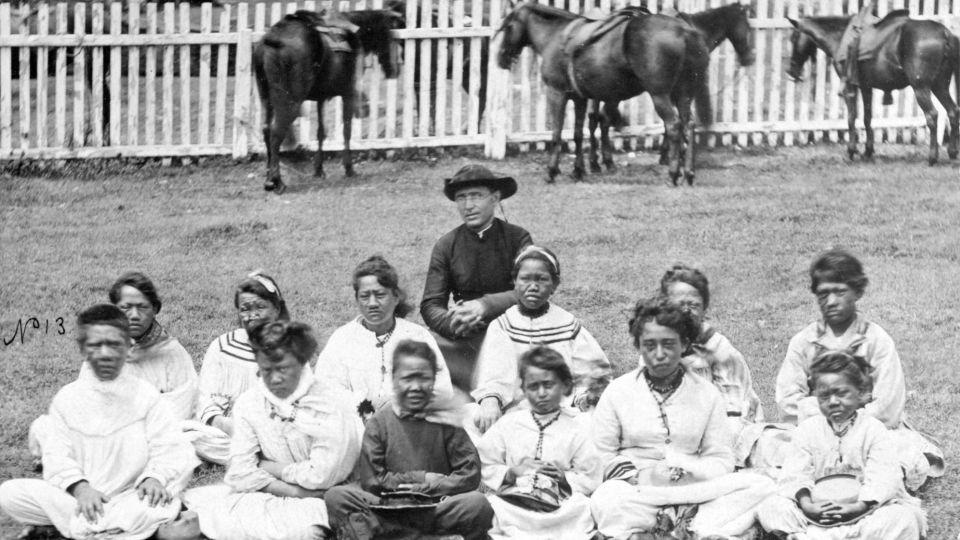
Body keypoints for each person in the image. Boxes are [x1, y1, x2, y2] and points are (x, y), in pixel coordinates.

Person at [0, 304, 199, 540]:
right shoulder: (67, 398)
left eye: (114, 344)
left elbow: (169, 446)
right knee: (10, 493)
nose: (105, 353)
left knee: (151, 506)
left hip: (132, 496)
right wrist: (81, 488)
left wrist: (154, 477)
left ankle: (85, 529)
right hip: (82, 498)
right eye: (96, 345)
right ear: (83, 349)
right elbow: (56, 456)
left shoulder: (147, 396)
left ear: (128, 346)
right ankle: (113, 530)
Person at [589, 298, 774, 539]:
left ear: (684, 343)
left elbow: (720, 456)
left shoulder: (707, 394)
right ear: (638, 346)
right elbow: (600, 454)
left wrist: (694, 472)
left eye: (668, 344)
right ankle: (689, 529)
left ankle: (667, 529)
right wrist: (640, 476)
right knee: (607, 500)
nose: (659, 355)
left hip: (695, 489)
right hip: (638, 490)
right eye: (649, 345)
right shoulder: (618, 391)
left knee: (761, 486)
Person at [774, 249, 944, 489]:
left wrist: (853, 422)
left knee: (899, 452)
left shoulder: (876, 341)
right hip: (815, 430)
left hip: (870, 429)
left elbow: (888, 407)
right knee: (772, 446)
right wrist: (826, 419)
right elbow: (788, 401)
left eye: (840, 292)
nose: (831, 301)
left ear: (857, 292)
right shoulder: (804, 342)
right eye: (823, 294)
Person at [184, 320, 362, 540]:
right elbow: (241, 471)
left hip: (324, 499)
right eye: (266, 370)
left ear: (301, 362)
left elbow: (321, 477)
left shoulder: (329, 404)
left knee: (305, 532)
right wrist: (294, 490)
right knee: (213, 518)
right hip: (271, 493)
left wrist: (267, 465)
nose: (275, 378)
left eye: (283, 368)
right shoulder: (250, 403)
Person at [324, 339, 494, 540]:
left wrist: (428, 488)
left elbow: (470, 473)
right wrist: (420, 478)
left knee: (477, 504)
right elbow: (372, 480)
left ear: (433, 380)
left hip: (435, 506)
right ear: (394, 379)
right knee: (336, 497)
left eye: (423, 378)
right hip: (389, 508)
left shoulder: (446, 418)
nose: (415, 387)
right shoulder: (379, 422)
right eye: (407, 379)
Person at [28, 272, 198, 462]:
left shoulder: (172, 352)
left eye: (142, 307)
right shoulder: (103, 349)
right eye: (126, 308)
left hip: (147, 433)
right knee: (44, 426)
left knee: (197, 436)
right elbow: (85, 399)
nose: (134, 315)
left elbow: (181, 407)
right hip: (101, 431)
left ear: (155, 309)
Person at [758, 351, 926, 539]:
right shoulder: (807, 430)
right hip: (816, 515)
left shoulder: (873, 430)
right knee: (771, 507)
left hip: (864, 513)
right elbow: (795, 474)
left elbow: (884, 477)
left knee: (901, 518)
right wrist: (807, 505)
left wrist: (858, 506)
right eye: (824, 396)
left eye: (842, 393)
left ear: (860, 393)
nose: (833, 402)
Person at [471, 245, 610, 434]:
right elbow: (493, 374)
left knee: (595, 424)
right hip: (514, 410)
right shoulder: (504, 325)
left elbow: (590, 373)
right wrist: (491, 401)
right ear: (514, 281)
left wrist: (585, 397)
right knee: (470, 421)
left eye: (542, 279)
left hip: (561, 409)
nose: (533, 286)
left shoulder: (567, 325)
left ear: (555, 284)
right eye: (525, 279)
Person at [421, 164, 533, 391]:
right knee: (421, 348)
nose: (468, 206)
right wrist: (454, 323)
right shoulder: (447, 245)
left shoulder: (518, 238)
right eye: (461, 198)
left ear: (495, 198)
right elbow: (431, 304)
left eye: (476, 196)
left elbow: (529, 289)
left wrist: (484, 305)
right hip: (466, 337)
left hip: (512, 329)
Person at [477, 346, 602, 540]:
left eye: (548, 385)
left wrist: (564, 478)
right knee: (491, 506)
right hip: (515, 501)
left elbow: (590, 472)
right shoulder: (511, 423)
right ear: (523, 389)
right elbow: (485, 459)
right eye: (533, 387)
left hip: (560, 505)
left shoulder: (577, 426)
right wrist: (510, 473)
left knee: (582, 508)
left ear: (565, 386)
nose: (541, 393)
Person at [315, 255, 454, 421]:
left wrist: (402, 406)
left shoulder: (416, 336)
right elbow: (326, 389)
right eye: (365, 296)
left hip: (409, 424)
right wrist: (364, 407)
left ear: (396, 297)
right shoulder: (342, 339)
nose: (372, 303)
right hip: (357, 425)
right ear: (357, 300)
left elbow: (441, 388)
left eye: (380, 295)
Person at [185, 272, 290, 464]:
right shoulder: (222, 346)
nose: (253, 315)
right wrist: (225, 424)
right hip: (225, 432)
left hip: (273, 433)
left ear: (276, 309)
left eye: (261, 307)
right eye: (245, 309)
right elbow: (204, 397)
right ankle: (259, 459)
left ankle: (258, 457)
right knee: (187, 435)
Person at [659, 264, 762, 436]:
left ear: (704, 308)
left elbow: (734, 407)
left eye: (693, 305)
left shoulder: (718, 348)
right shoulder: (657, 345)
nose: (685, 311)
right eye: (679, 305)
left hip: (723, 425)